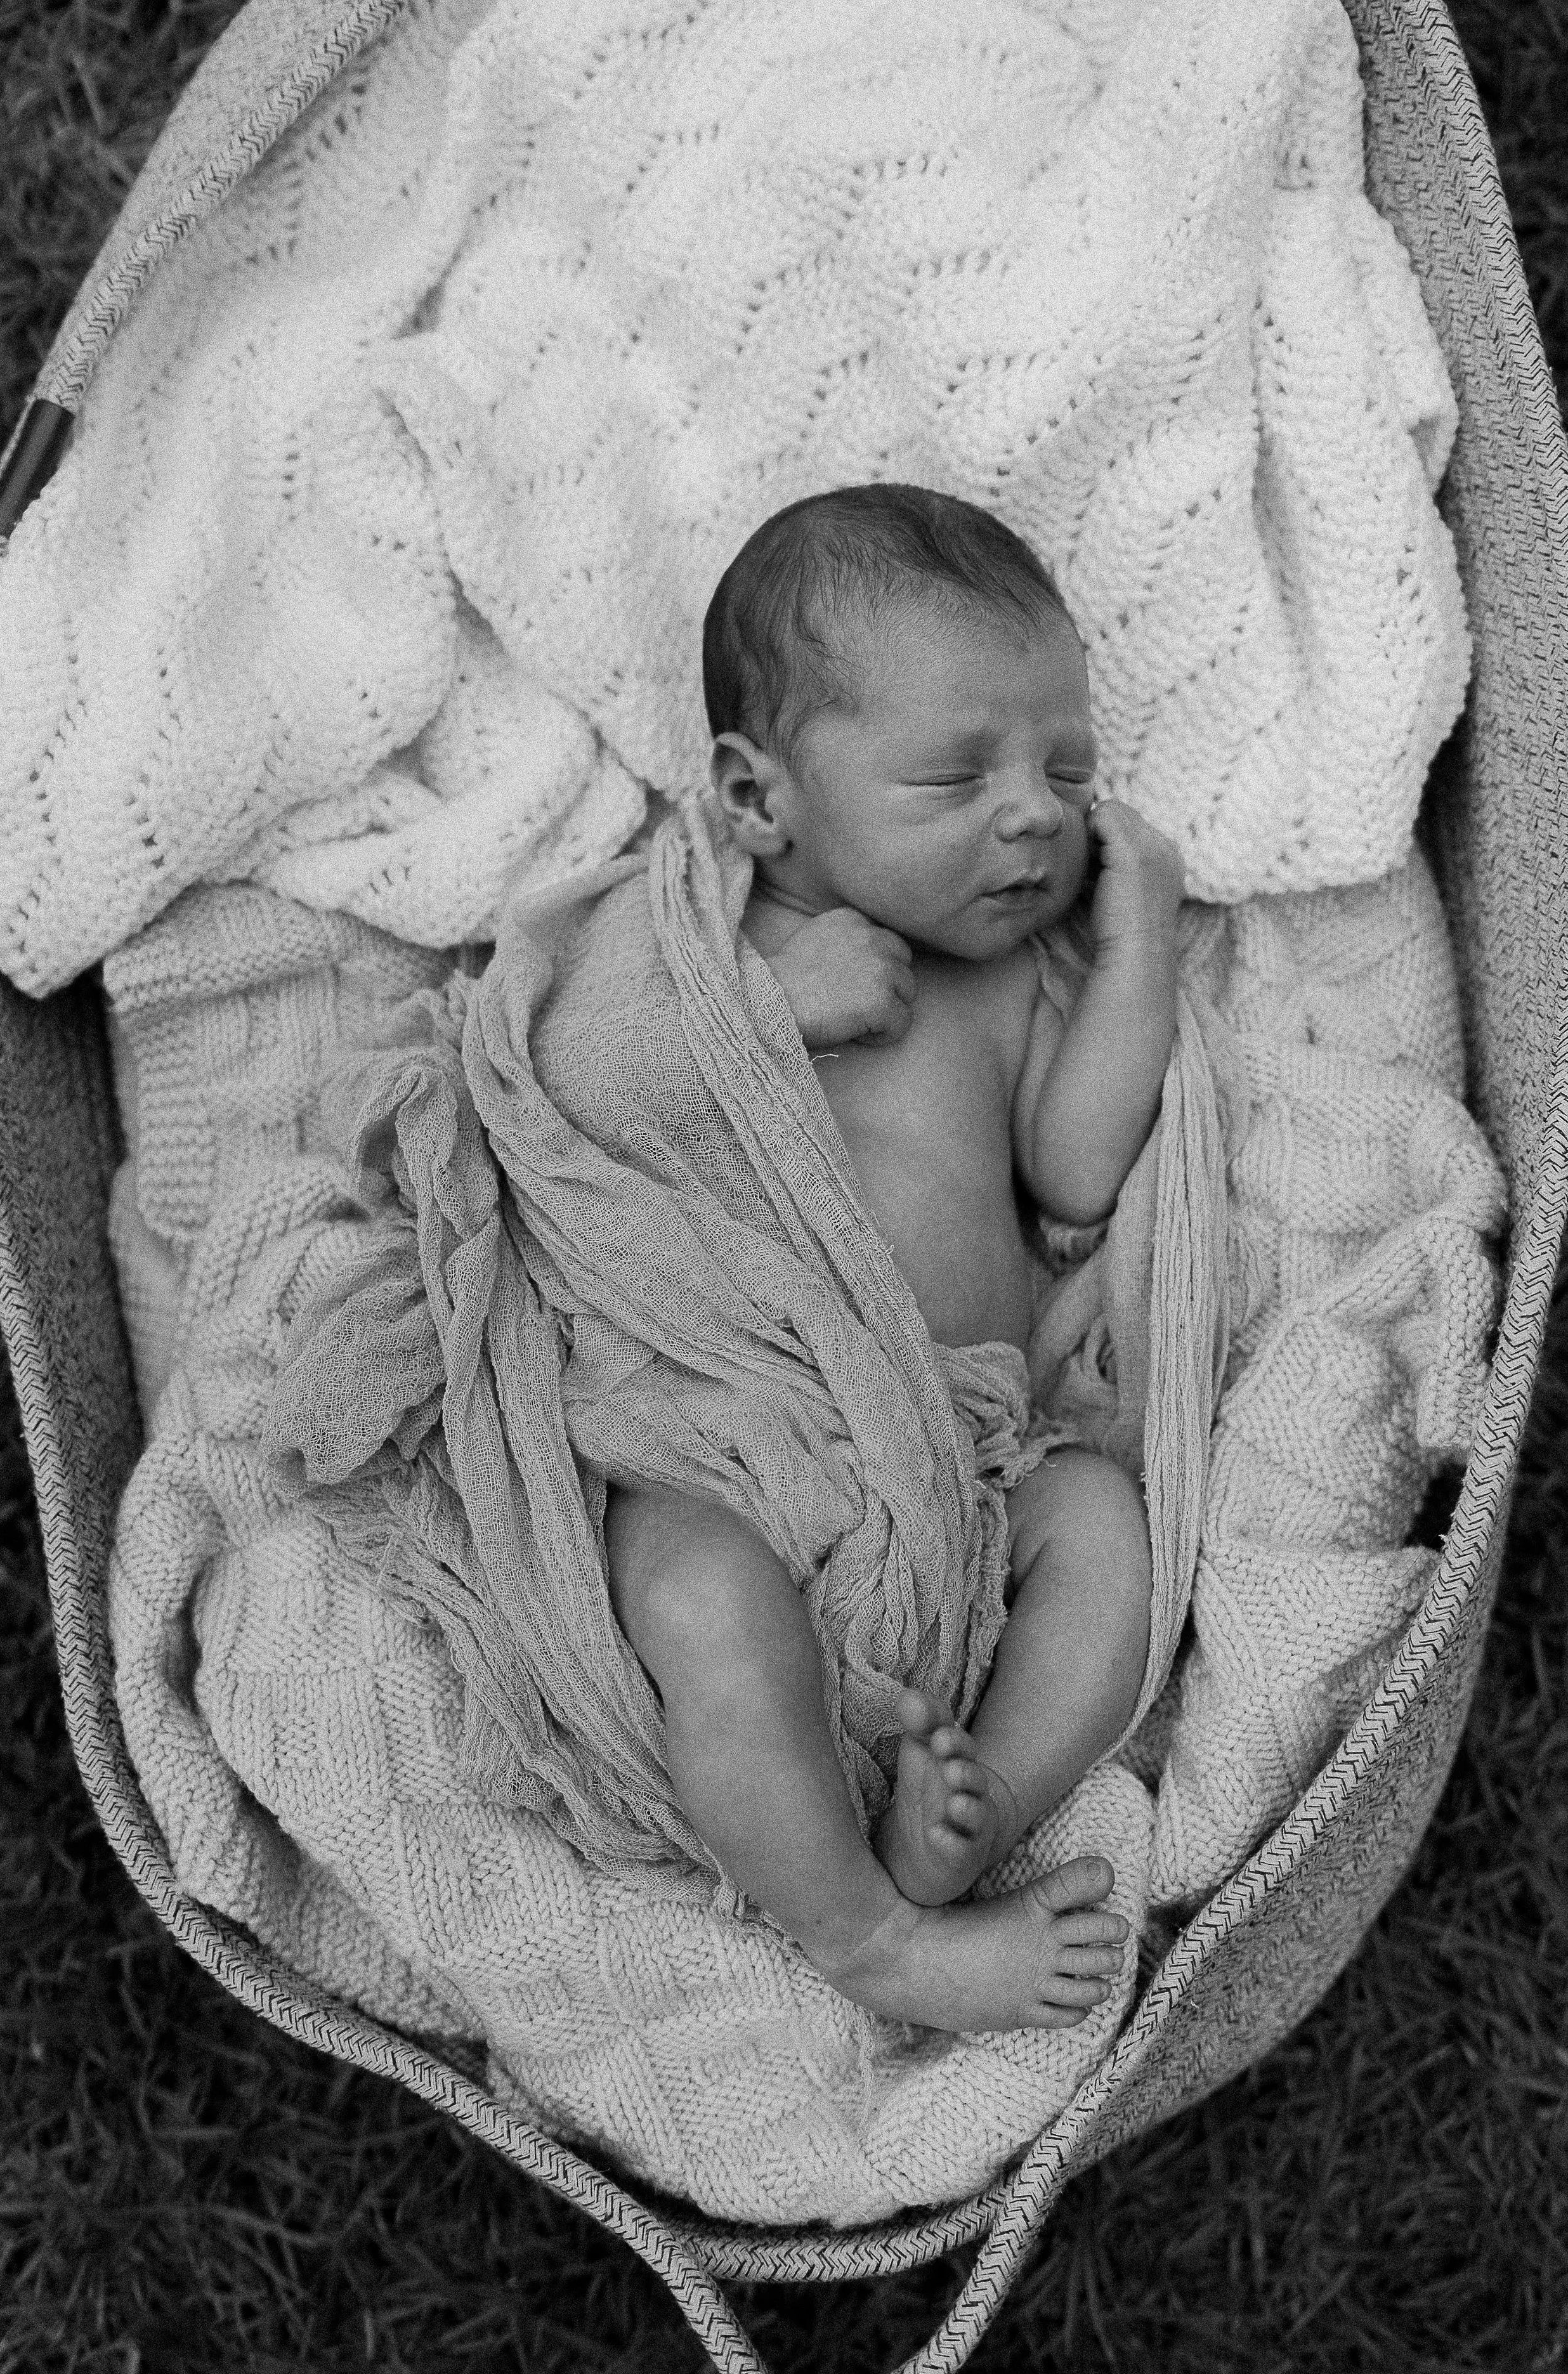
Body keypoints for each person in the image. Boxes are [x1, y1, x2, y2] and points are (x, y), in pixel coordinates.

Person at [603, 483, 1185, 2032]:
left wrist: (1137, 950)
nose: (1033, 811)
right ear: (757, 797)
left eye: (1067, 769)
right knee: (701, 1600)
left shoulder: (1006, 984)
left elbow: (1073, 1161)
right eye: (954, 773)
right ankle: (871, 1938)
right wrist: (756, 1014)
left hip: (958, 1460)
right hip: (724, 1437)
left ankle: (984, 1787)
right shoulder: (683, 941)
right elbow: (552, 1087)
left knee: (1102, 1524)